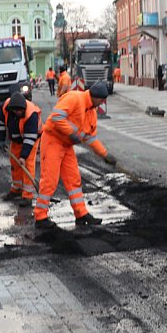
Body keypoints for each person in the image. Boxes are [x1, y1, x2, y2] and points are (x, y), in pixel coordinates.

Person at [34, 81, 117, 229]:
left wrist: (105, 154)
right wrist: (71, 133)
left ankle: (81, 214)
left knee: (74, 181)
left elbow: (91, 138)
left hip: (66, 146)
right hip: (53, 141)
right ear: (97, 97)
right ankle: (40, 217)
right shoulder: (74, 98)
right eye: (103, 100)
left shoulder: (91, 113)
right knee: (50, 180)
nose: (103, 103)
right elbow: (56, 117)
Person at [0, 93, 42, 207]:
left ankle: (27, 196)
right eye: (17, 111)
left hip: (31, 139)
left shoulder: (31, 114)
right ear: (12, 109)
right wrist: (0, 140)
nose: (19, 113)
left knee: (27, 164)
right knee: (14, 163)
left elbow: (30, 138)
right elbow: (0, 124)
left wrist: (23, 156)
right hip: (16, 139)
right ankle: (16, 189)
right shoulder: (5, 108)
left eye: (21, 111)